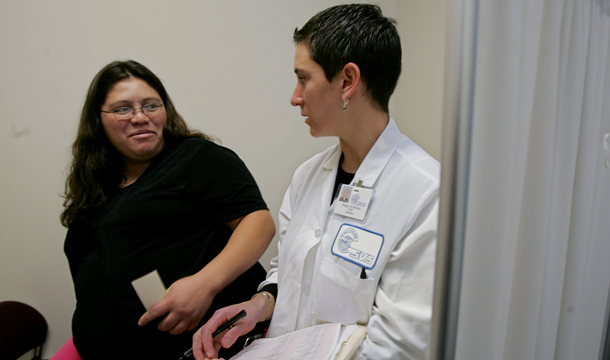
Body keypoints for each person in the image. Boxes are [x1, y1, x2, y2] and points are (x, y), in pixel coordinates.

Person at [193, 4, 440, 360]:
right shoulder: (308, 176)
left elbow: (398, 347)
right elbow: (287, 269)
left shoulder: (425, 193)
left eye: (304, 78)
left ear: (347, 82)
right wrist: (261, 304)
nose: (295, 97)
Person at [58, 60, 275, 359]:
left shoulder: (195, 158)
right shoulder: (95, 190)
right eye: (122, 108)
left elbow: (258, 223)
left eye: (151, 105)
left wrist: (204, 285)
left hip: (206, 349)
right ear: (98, 120)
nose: (139, 117)